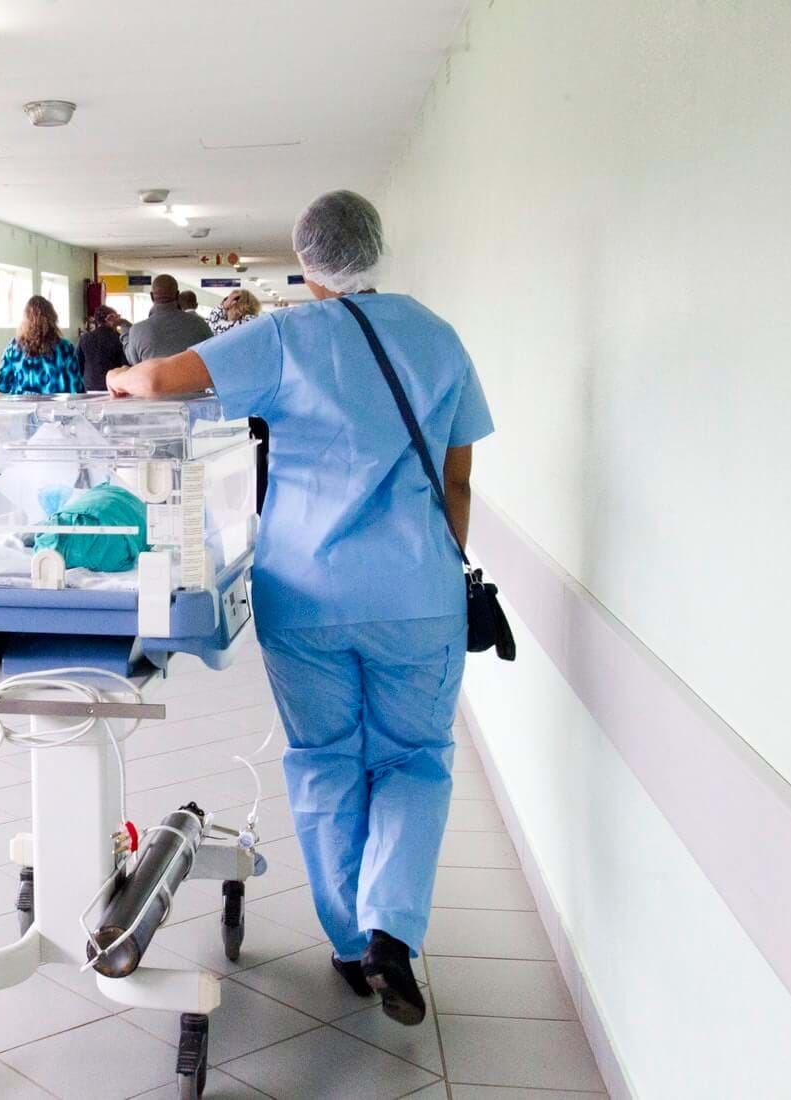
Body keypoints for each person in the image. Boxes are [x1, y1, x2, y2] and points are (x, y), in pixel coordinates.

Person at [108, 190, 493, 1028]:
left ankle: (352, 947)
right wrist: (432, 563)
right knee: (413, 759)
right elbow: (458, 482)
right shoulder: (438, 337)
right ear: (377, 248)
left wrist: (118, 370)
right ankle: (393, 929)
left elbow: (164, 380)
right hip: (418, 595)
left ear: (307, 260)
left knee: (325, 759)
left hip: (307, 593)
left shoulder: (286, 336)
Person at [0, 295, 84, 395]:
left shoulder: (14, 347)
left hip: (22, 408)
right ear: (52, 318)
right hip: (55, 409)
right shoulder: (65, 348)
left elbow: (2, 385)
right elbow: (76, 388)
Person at [123, 274, 214, 364]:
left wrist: (124, 330)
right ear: (177, 295)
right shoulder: (199, 325)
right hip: (192, 378)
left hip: (155, 378)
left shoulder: (137, 330)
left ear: (151, 296)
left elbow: (133, 362)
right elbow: (211, 355)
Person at [79, 305, 131, 391]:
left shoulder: (85, 338)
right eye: (117, 317)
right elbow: (125, 365)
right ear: (111, 318)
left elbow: (79, 363)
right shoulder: (118, 338)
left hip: (90, 385)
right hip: (112, 385)